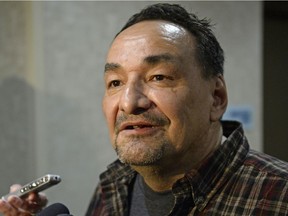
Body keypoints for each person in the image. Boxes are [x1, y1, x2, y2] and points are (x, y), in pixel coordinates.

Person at [1, 3, 288, 216]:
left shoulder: (278, 195)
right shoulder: (111, 188)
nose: (129, 102)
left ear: (216, 97)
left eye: (158, 77)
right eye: (115, 82)